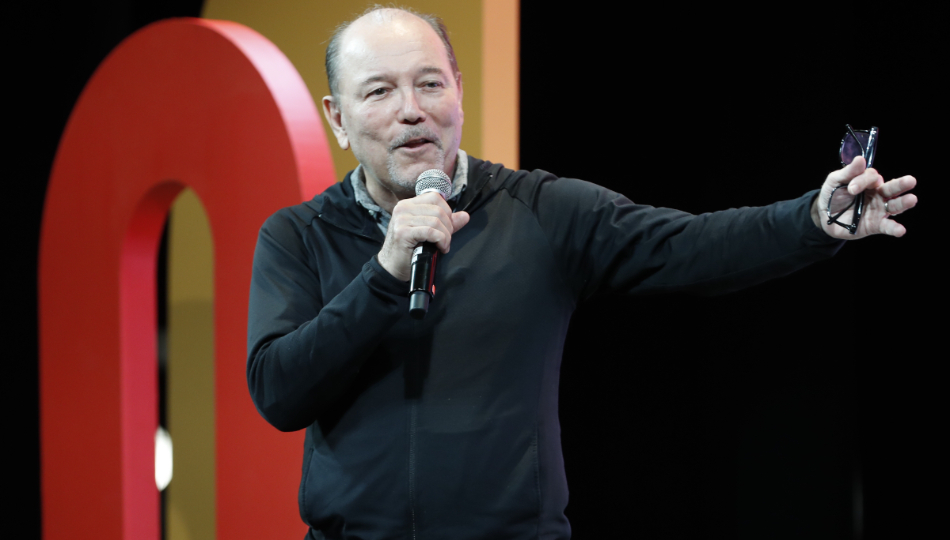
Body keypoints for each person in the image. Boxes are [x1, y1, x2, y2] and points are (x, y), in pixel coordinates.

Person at [246, 7, 917, 540]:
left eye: (429, 83)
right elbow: (280, 390)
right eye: (380, 92)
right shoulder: (298, 236)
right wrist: (386, 273)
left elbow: (689, 245)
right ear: (338, 118)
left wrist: (810, 219)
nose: (411, 109)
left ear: (458, 91)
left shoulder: (538, 209)